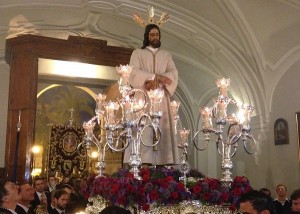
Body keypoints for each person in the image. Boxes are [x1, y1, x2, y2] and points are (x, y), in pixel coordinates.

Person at [124, 23, 179, 166]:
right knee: (143, 128)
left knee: (163, 129)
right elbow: (133, 72)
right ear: (147, 36)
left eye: (157, 34)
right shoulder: (138, 53)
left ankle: (163, 163)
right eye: (152, 34)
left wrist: (158, 79)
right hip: (143, 98)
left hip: (161, 99)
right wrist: (154, 77)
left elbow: (173, 73)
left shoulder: (166, 55)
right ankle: (142, 163)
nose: (155, 37)